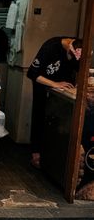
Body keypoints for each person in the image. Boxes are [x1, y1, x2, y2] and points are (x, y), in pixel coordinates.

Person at [27, 36, 82, 169]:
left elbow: (79, 70)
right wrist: (54, 84)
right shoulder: (50, 47)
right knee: (40, 116)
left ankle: (57, 156)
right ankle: (36, 153)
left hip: (64, 90)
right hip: (44, 85)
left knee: (60, 122)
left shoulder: (79, 48)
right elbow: (32, 73)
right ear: (69, 48)